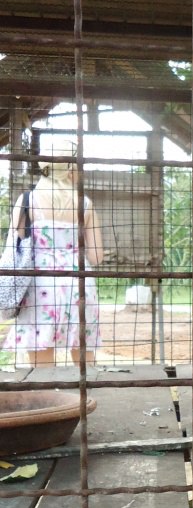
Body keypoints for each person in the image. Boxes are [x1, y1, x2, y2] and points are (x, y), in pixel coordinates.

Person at [4, 141, 103, 366]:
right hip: (79, 284)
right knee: (84, 359)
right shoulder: (85, 204)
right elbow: (97, 257)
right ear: (70, 168)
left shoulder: (27, 201)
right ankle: (84, 399)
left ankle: (50, 398)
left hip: (40, 285)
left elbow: (15, 247)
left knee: (42, 361)